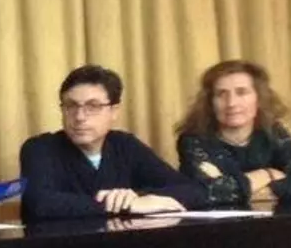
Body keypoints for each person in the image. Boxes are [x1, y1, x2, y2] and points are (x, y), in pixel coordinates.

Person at [20, 65, 203, 221]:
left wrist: (138, 198)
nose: (79, 117)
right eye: (71, 105)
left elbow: (192, 191)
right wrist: (123, 205)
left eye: (93, 106)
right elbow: (40, 204)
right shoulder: (40, 148)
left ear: (114, 111)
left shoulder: (125, 145)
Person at [175, 59, 291, 206]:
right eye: (221, 94)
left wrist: (254, 190)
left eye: (241, 92)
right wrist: (267, 174)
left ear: (259, 98)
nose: (231, 103)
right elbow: (207, 192)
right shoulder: (193, 140)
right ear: (210, 103)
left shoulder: (273, 132)